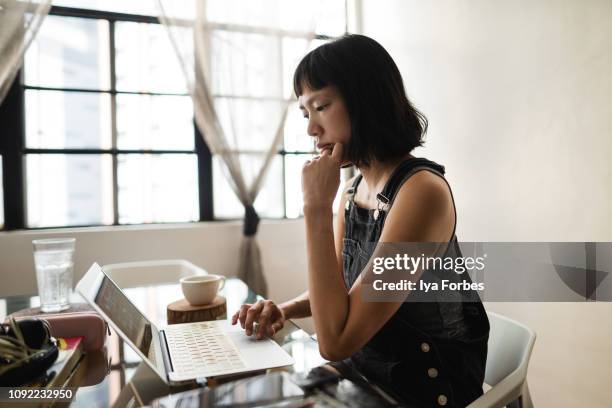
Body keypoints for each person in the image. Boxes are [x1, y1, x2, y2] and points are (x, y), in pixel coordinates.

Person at [232, 34, 489, 407]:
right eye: (306, 113)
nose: (311, 129)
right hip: (367, 378)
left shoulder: (420, 192)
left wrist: (315, 209)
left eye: (321, 106)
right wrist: (284, 310)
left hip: (421, 390)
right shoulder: (354, 191)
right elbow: (344, 292)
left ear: (365, 99)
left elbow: (335, 342)